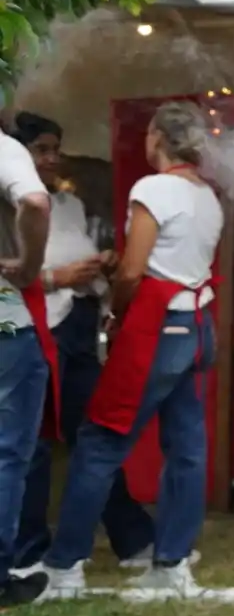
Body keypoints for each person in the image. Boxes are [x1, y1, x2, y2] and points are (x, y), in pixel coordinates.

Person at [40, 101, 223, 597]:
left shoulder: (154, 188)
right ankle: (172, 564)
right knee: (186, 447)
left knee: (99, 442)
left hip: (158, 326)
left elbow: (133, 272)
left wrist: (117, 307)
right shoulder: (206, 194)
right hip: (197, 323)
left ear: (157, 138)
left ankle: (64, 566)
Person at [10, 113, 157, 577]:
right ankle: (27, 550)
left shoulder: (68, 206)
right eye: (42, 150)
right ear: (19, 153)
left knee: (93, 436)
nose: (52, 158)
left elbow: (75, 262)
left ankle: (131, 539)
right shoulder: (9, 206)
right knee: (31, 444)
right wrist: (56, 278)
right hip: (35, 327)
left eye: (56, 149)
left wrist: (101, 266)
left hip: (76, 325)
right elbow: (12, 274)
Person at [0, 126, 53, 607]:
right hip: (3, 322)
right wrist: (31, 264)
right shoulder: (4, 148)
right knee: (6, 454)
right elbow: (35, 203)